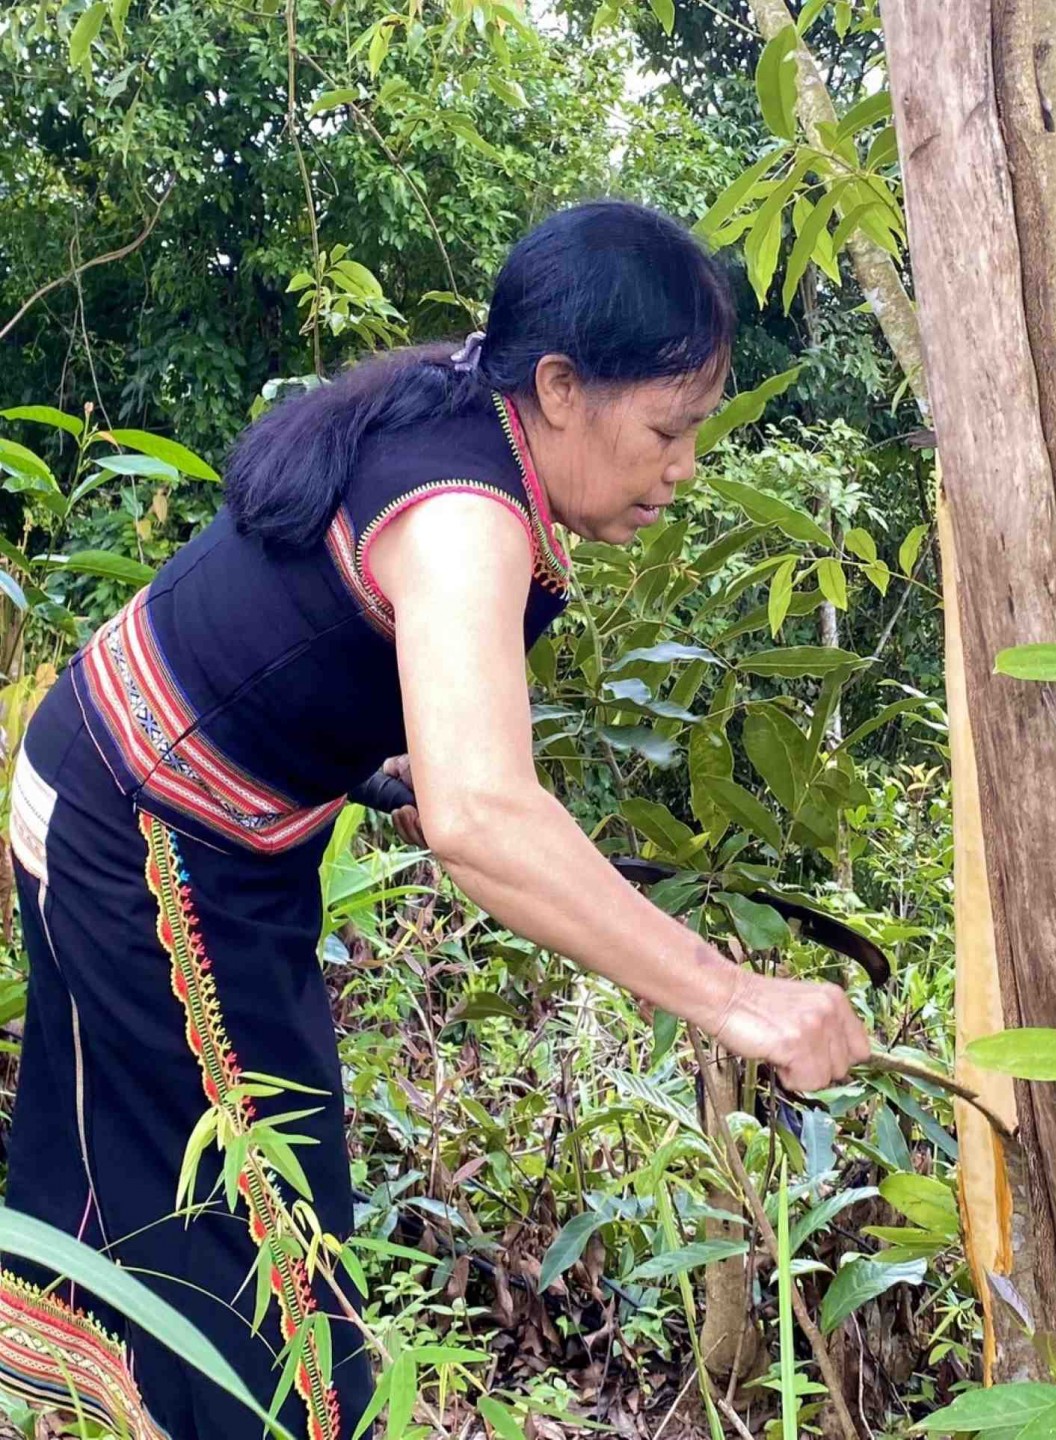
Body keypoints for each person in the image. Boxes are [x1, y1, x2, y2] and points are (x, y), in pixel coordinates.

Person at [0, 199, 872, 1439]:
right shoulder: (468, 513)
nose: (683, 467)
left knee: (256, 1198)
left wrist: (377, 759)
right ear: (561, 386)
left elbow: (304, 623)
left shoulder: (468, 402)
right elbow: (482, 820)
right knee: (251, 1245)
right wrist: (739, 998)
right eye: (667, 430)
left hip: (194, 817)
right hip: (136, 828)